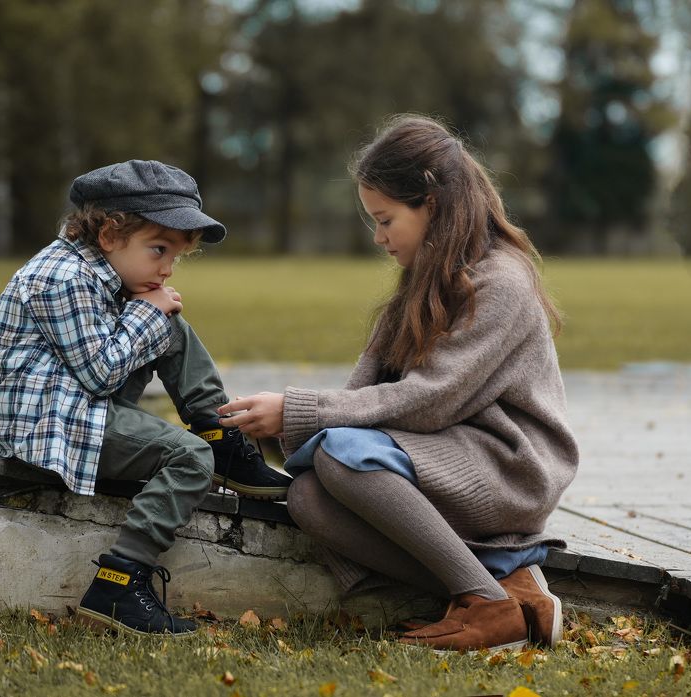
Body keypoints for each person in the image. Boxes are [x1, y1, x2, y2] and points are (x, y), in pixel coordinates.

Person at [217, 116, 579, 652]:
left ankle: (490, 609)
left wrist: (298, 413)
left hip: (509, 465)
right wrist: (275, 428)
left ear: (430, 203)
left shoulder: (502, 282)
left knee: (343, 456)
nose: (379, 237)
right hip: (449, 450)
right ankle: (501, 591)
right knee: (309, 496)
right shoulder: (424, 278)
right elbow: (366, 384)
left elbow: (429, 399)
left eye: (385, 219)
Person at [0, 160, 292, 636]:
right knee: (188, 459)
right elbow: (100, 374)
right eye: (159, 250)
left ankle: (220, 436)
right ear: (108, 235)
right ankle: (117, 585)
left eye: (175, 257)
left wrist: (151, 312)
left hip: (74, 398)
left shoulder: (101, 271)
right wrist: (147, 312)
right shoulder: (61, 278)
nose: (166, 269)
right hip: (46, 421)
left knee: (169, 325)